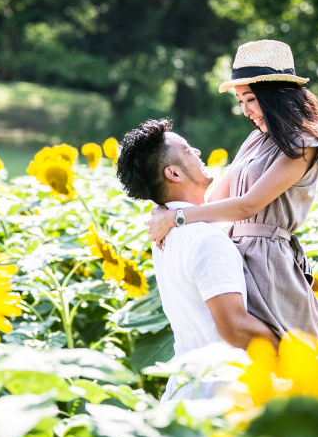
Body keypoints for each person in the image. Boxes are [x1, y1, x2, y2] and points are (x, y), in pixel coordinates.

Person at [146, 39, 318, 345]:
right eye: (240, 102)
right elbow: (215, 200)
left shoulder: (304, 145)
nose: (246, 110)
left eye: (251, 99)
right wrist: (166, 209)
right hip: (235, 251)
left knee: (280, 354)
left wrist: (178, 217)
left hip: (269, 261)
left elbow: (249, 205)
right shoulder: (254, 140)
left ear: (276, 96)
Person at [116, 118, 279, 402]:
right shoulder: (205, 239)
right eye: (189, 150)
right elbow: (235, 327)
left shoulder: (166, 228)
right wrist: (291, 350)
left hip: (187, 386)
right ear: (174, 174)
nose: (198, 153)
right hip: (221, 396)